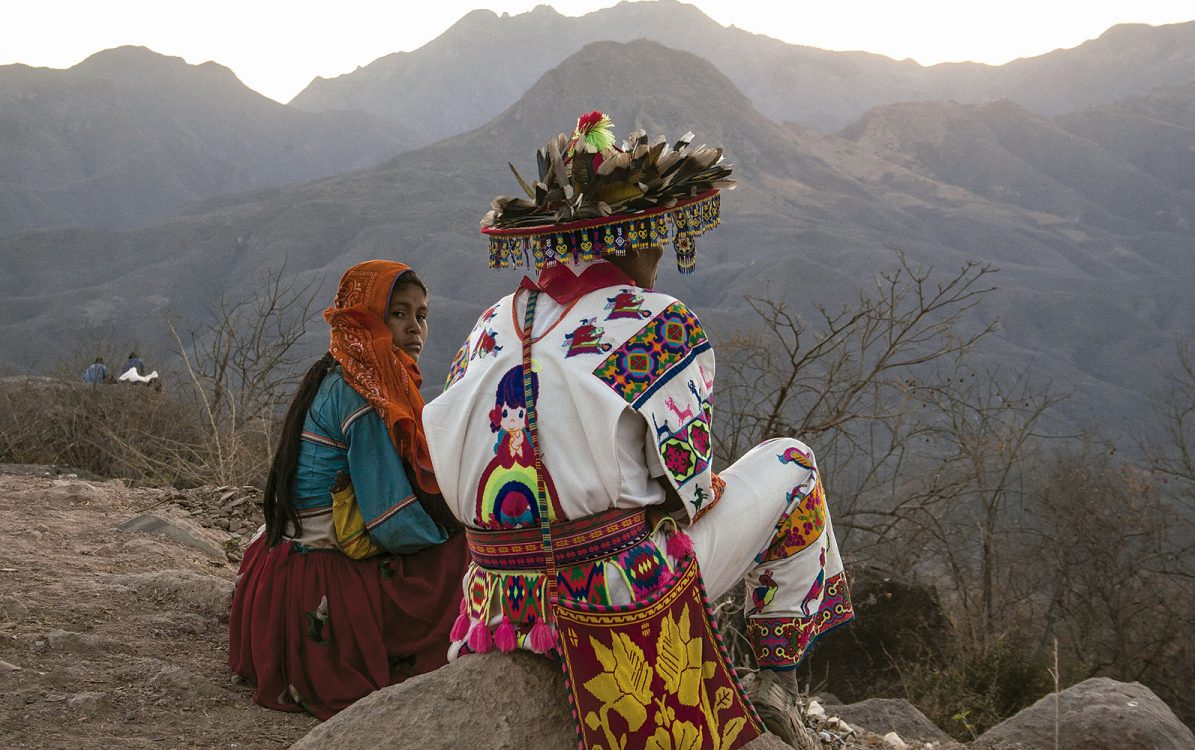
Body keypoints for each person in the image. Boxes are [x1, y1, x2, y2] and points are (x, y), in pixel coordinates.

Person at [423, 113, 854, 749]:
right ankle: (776, 688)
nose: (660, 254)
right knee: (791, 463)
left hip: (498, 597)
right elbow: (693, 493)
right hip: (608, 591)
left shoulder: (489, 323)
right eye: (656, 237)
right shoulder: (658, 324)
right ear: (634, 237)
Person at [228, 260, 467, 720]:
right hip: (321, 577)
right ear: (365, 318)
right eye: (398, 313)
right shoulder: (362, 393)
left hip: (279, 568)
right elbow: (392, 522)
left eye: (421, 314)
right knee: (465, 550)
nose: (415, 326)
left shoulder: (340, 372)